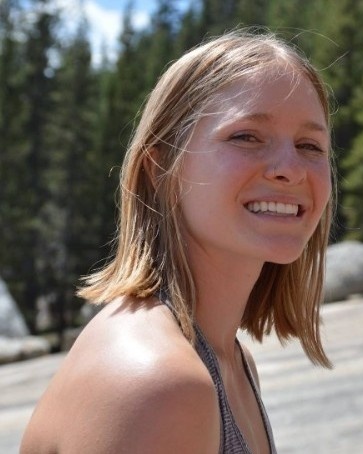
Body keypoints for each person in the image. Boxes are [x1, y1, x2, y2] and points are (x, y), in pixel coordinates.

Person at [21, 29, 334, 454]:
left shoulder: (228, 361)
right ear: (161, 168)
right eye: (246, 136)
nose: (290, 169)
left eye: (310, 145)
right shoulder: (161, 383)